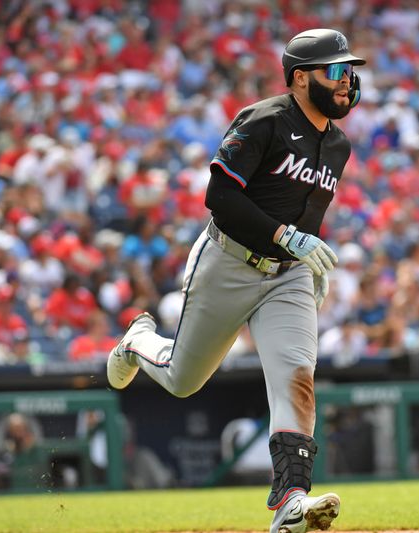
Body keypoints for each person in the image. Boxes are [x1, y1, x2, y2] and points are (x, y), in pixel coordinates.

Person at [106, 28, 365, 533]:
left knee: (297, 377)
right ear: (298, 79)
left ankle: (291, 500)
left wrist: (303, 257)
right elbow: (219, 198)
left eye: (349, 71)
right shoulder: (264, 119)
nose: (346, 81)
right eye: (334, 70)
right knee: (184, 379)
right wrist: (289, 237)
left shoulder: (337, 144)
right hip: (228, 261)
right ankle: (139, 341)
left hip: (286, 275)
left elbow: (301, 209)